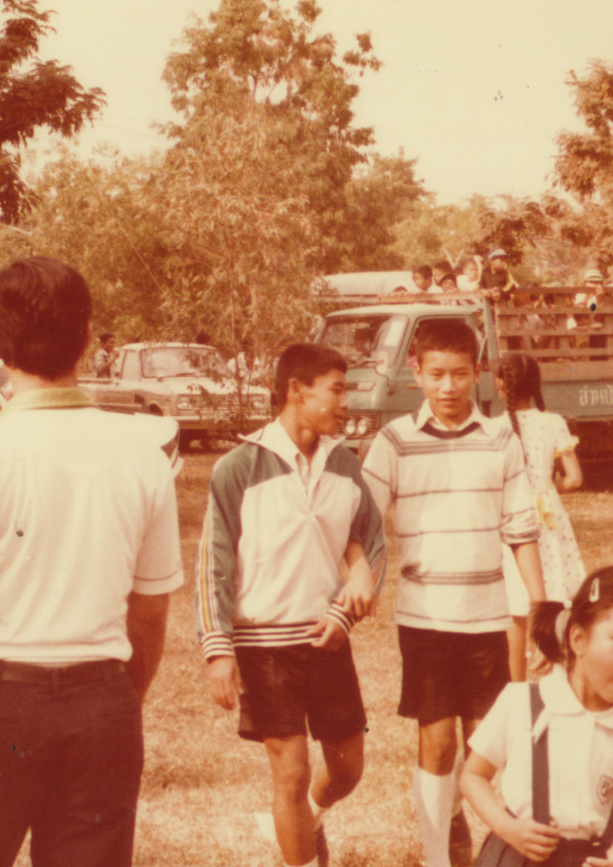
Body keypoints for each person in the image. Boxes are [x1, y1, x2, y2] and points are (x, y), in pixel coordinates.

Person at [0, 257, 183, 866]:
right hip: (103, 704)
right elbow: (151, 610)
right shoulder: (144, 457)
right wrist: (110, 704)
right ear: (87, 336)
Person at [362, 319, 545, 867]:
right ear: (415, 370)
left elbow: (522, 531)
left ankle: (473, 827)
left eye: (460, 374)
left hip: (487, 618)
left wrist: (541, 609)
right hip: (425, 618)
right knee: (437, 739)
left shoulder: (501, 439)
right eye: (436, 374)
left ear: (479, 373)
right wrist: (356, 575)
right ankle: (436, 856)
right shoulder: (394, 441)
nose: (448, 386)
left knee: (486, 743)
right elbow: (362, 522)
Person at [196, 343, 386, 867]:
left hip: (328, 641)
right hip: (264, 646)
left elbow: (372, 544)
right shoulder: (238, 467)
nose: (346, 403)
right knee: (291, 772)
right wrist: (218, 650)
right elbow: (213, 564)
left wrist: (347, 607)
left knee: (348, 770)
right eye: (337, 390)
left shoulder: (344, 464)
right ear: (297, 391)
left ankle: (309, 818)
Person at [460, 566, 613, 867]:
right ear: (578, 640)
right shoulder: (521, 703)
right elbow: (472, 776)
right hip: (515, 856)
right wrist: (509, 829)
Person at [495, 352, 586, 682]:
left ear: (499, 384)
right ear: (536, 384)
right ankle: (560, 676)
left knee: (515, 605)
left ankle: (516, 687)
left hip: (511, 517)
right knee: (554, 591)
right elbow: (574, 479)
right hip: (548, 518)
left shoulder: (493, 428)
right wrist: (547, 490)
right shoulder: (553, 422)